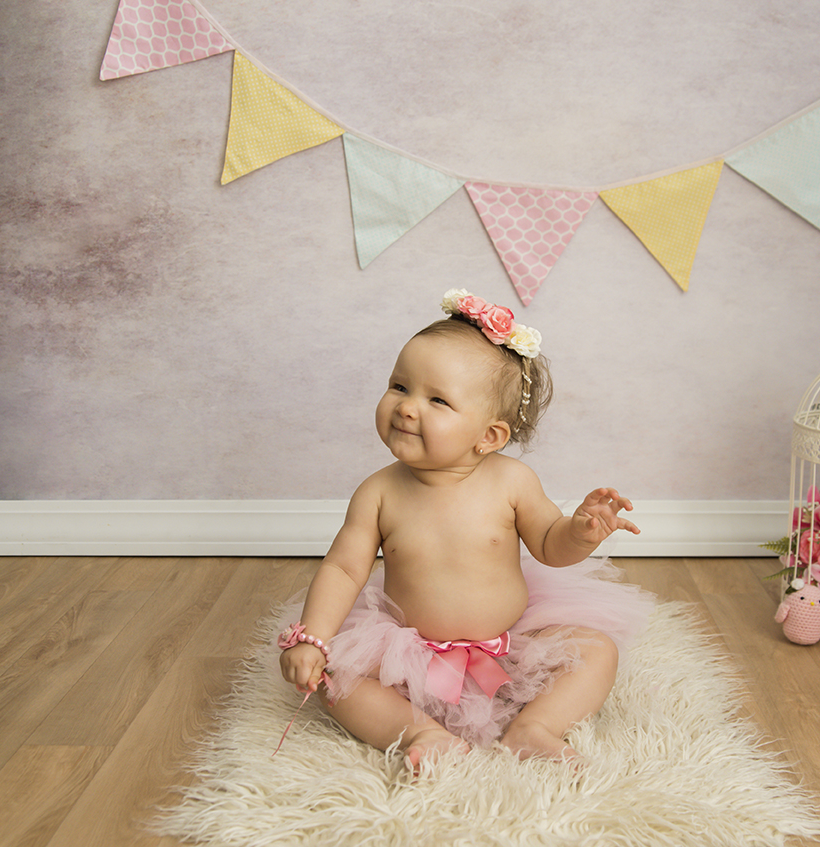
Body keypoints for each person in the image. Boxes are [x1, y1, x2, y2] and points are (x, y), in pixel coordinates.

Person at [279, 289, 655, 772]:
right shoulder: (379, 492)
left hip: (507, 641)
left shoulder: (512, 481)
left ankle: (533, 728)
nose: (407, 408)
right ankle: (421, 732)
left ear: (490, 436)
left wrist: (580, 534)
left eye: (437, 400)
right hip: (410, 648)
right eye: (399, 386)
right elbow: (344, 567)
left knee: (597, 651)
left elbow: (547, 545)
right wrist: (313, 639)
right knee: (333, 679)